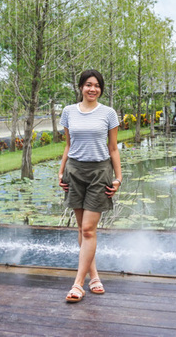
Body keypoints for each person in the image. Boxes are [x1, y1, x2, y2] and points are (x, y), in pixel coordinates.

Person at [58, 69, 121, 303]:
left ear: (101, 88)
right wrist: (61, 171)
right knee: (82, 230)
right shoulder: (68, 112)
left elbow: (113, 148)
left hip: (99, 172)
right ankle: (94, 276)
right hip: (74, 171)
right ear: (81, 87)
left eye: (96, 85)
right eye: (87, 85)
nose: (92, 89)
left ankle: (77, 284)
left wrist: (118, 178)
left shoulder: (109, 113)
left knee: (88, 229)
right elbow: (68, 145)